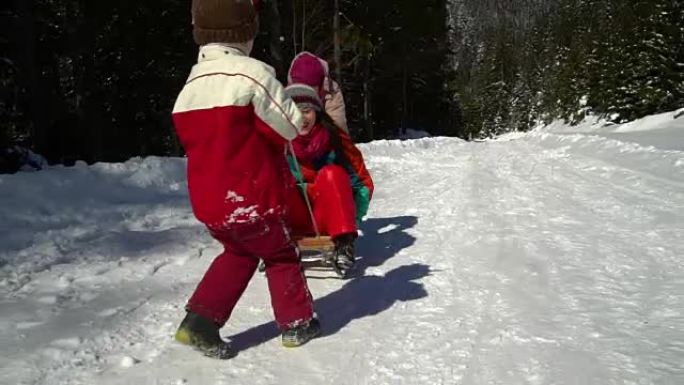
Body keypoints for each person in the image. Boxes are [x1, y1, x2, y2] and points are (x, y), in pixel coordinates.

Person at [171, 0, 319, 359]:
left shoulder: (190, 86)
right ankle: (297, 322)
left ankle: (199, 323)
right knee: (281, 254)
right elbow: (288, 123)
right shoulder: (251, 73)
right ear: (244, 32)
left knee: (238, 252)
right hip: (251, 196)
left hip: (210, 203)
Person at [284, 83, 374, 276]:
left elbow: (362, 184)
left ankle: (344, 244)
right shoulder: (277, 143)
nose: (301, 118)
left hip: (327, 217)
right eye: (294, 111)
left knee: (331, 173)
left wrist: (351, 218)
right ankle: (276, 246)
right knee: (277, 180)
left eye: (306, 111)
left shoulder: (335, 139)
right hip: (295, 217)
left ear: (316, 112)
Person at [288, 52, 349, 133]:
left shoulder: (331, 93)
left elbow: (337, 127)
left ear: (320, 85)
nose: (306, 95)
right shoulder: (286, 95)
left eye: (311, 90)